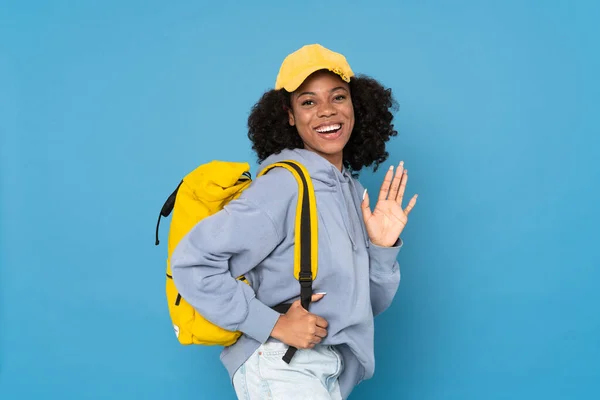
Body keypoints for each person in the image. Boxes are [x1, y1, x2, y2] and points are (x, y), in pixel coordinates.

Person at [170, 43, 418, 399]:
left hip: (326, 372)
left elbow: (365, 306)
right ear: (289, 115)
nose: (326, 112)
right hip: (282, 365)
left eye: (338, 97)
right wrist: (274, 324)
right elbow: (192, 261)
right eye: (308, 102)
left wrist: (381, 248)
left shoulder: (348, 191)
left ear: (355, 107)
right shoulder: (284, 184)